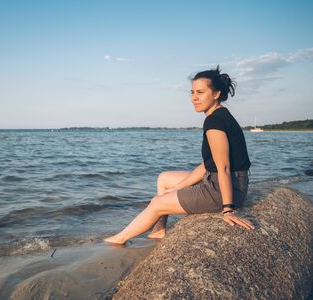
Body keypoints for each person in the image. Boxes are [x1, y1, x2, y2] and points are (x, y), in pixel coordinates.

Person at [104, 65, 255, 245]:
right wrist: (181, 186)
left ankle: (119, 239)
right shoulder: (221, 114)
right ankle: (159, 230)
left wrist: (228, 209)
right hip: (228, 182)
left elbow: (223, 167)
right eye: (192, 92)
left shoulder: (214, 121)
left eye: (200, 92)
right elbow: (211, 163)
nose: (194, 98)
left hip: (221, 189)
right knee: (164, 179)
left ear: (216, 94)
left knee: (156, 203)